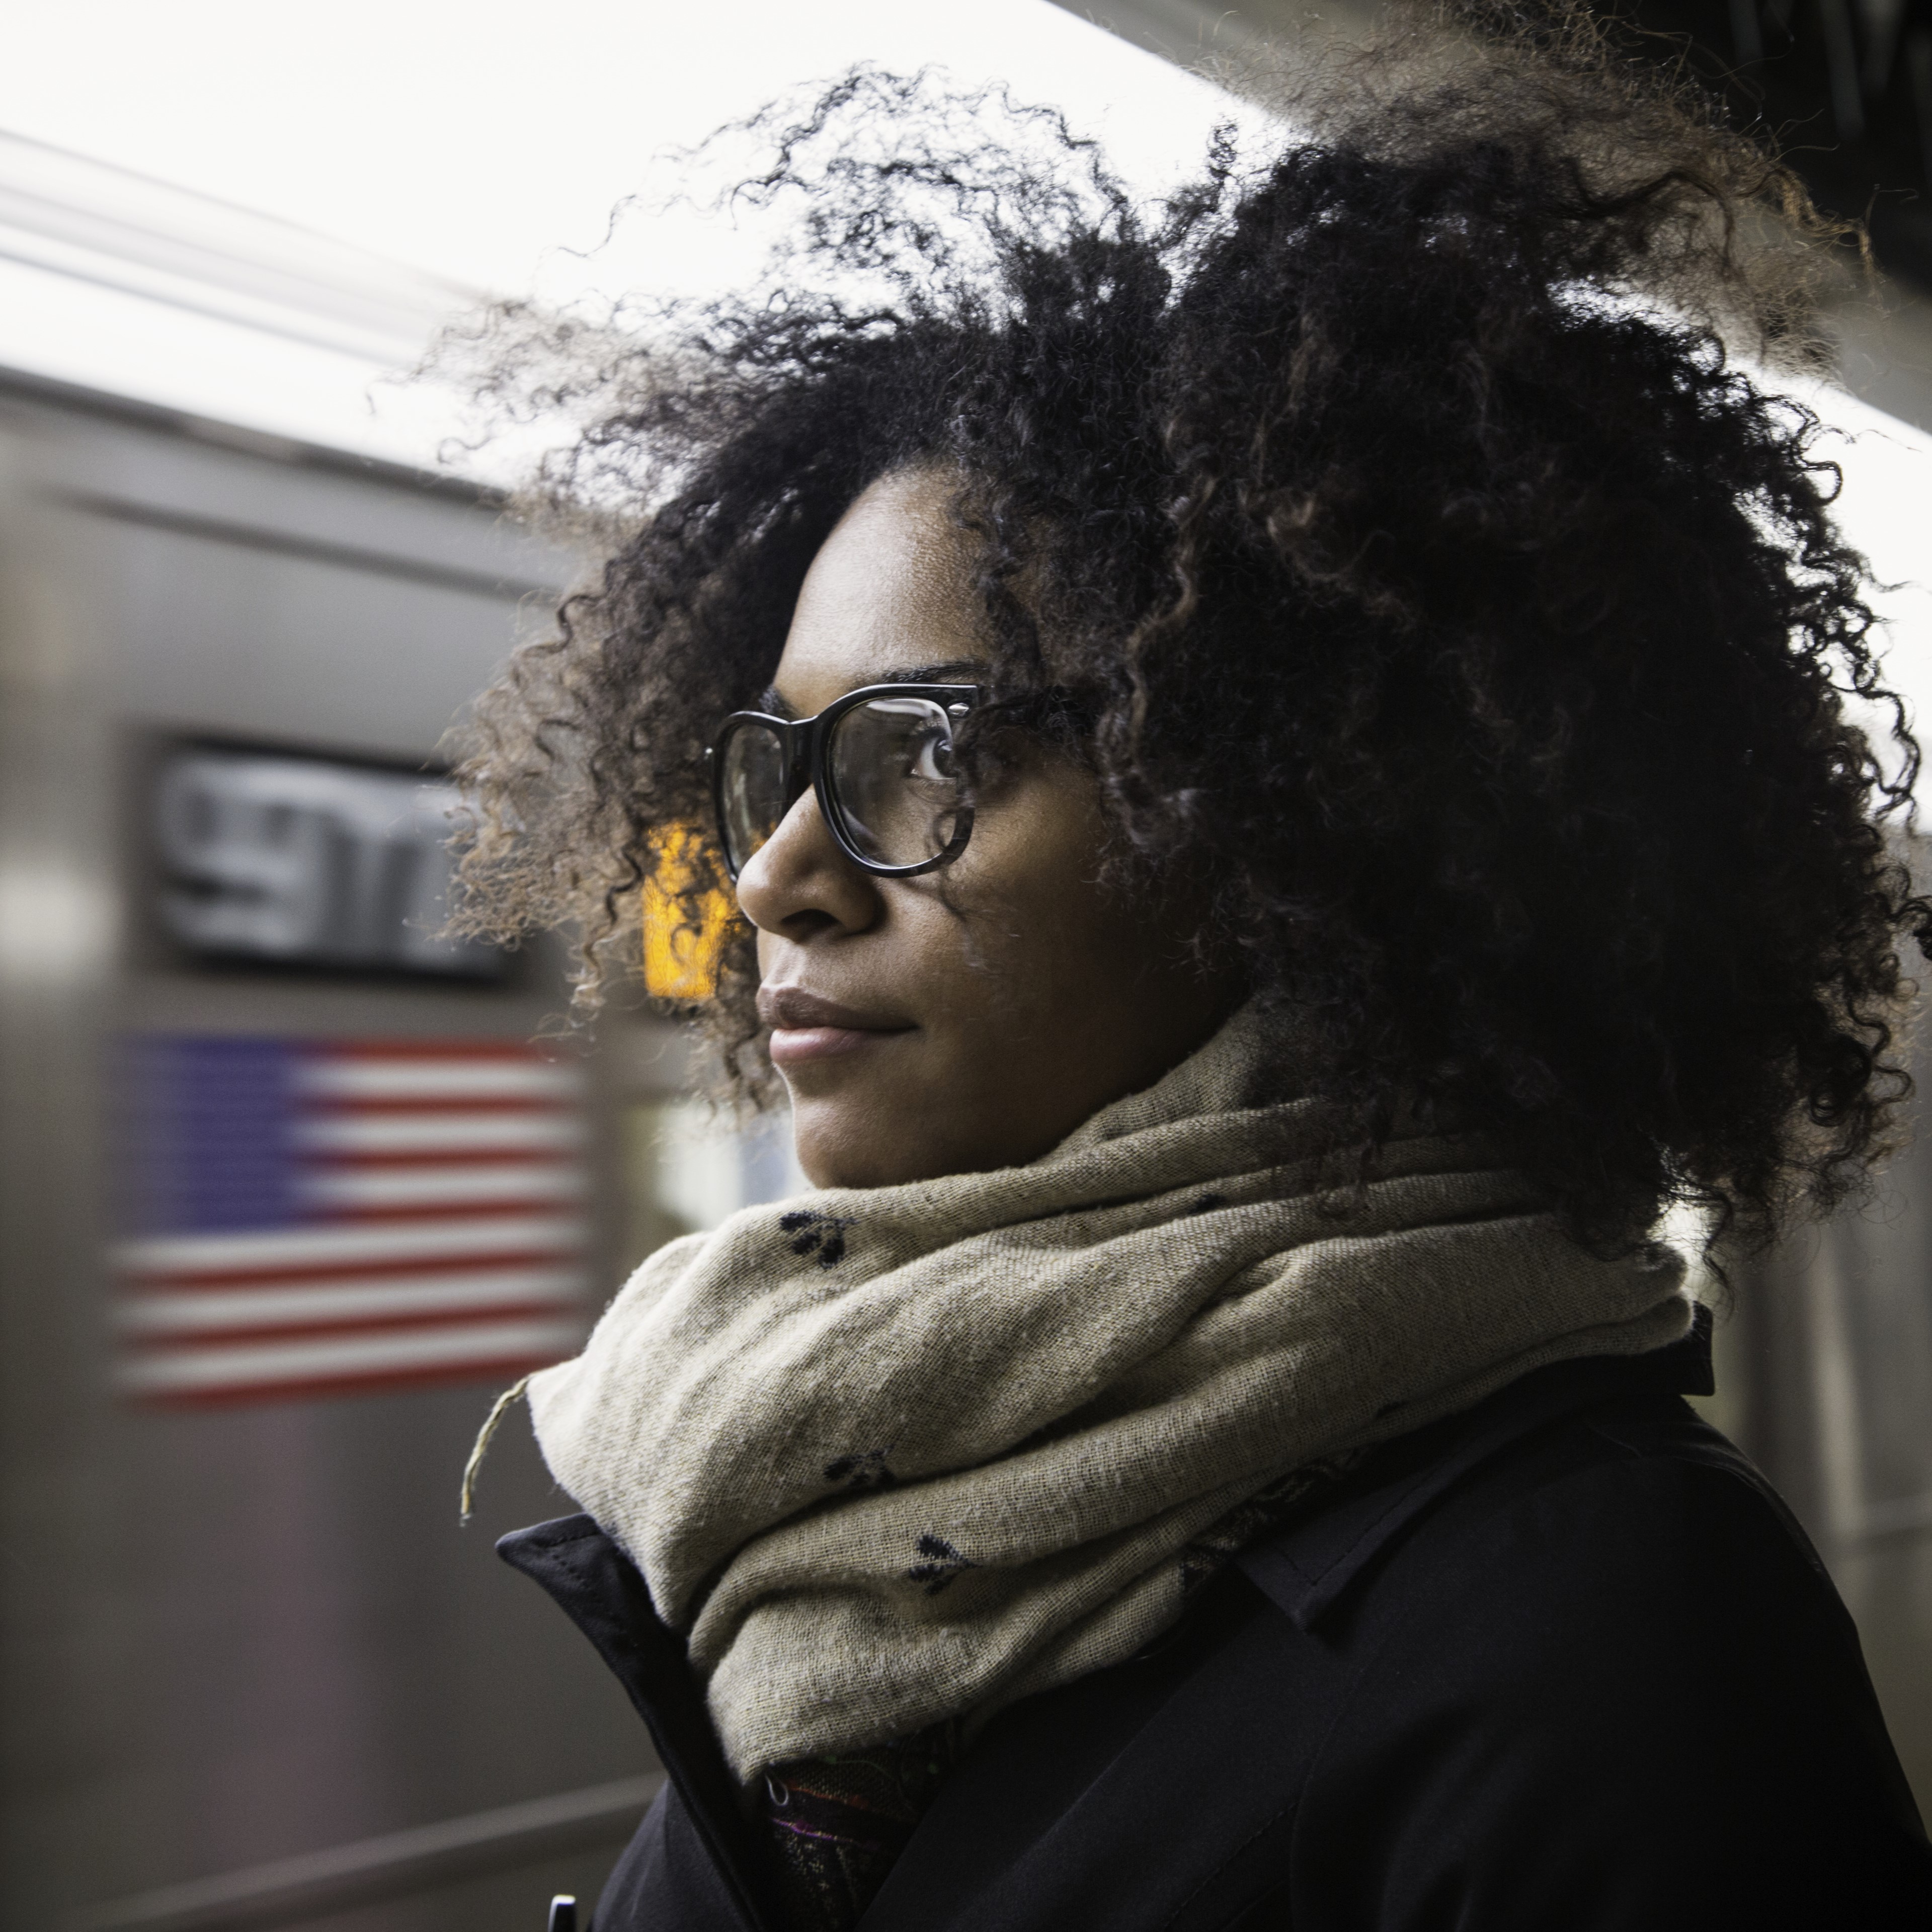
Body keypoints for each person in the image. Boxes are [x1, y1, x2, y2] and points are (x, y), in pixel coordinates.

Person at [455, 7, 1932, 1925]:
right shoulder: (812, 1525)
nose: (777, 882)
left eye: (938, 749)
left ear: (1287, 817)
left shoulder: (1613, 1625)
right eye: (778, 766)